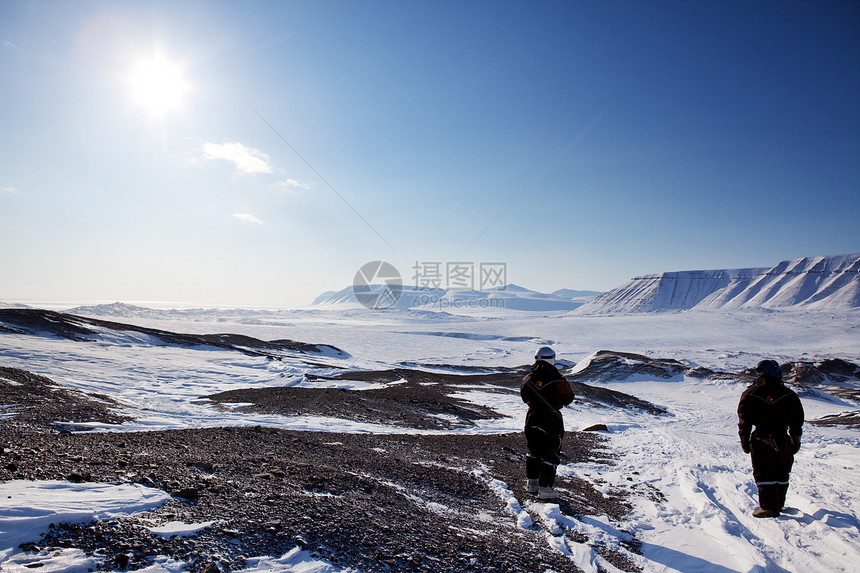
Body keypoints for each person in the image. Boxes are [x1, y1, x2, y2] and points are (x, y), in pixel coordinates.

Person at [737, 359, 804, 518]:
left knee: (764, 472)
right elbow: (797, 420)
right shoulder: (789, 394)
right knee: (782, 472)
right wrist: (796, 440)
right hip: (783, 439)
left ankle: (768, 507)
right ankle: (778, 504)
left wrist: (745, 441)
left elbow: (744, 421)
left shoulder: (750, 394)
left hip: (761, 439)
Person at [520, 346, 574, 500]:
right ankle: (545, 488)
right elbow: (568, 398)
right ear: (552, 359)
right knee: (551, 452)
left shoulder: (528, 378)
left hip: (532, 417)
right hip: (551, 419)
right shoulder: (558, 380)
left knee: (533, 450)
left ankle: (532, 484)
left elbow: (524, 397)